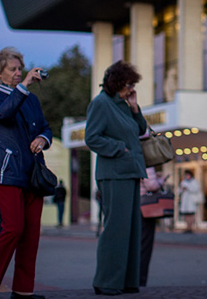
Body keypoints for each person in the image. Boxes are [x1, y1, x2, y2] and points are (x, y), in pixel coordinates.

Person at [0, 47, 53, 299]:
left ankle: (23, 291)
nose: (18, 73)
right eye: (12, 69)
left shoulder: (31, 99)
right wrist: (24, 86)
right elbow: (4, 113)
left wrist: (43, 138)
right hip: (6, 171)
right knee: (13, 228)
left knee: (31, 234)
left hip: (33, 173)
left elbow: (45, 126)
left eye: (20, 68)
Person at [85, 61, 148, 296]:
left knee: (131, 229)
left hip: (129, 172)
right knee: (115, 229)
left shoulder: (123, 104)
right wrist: (119, 148)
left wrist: (134, 107)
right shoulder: (101, 103)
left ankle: (127, 281)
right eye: (128, 84)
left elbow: (141, 130)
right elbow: (92, 137)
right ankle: (106, 281)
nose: (131, 89)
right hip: (113, 174)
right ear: (117, 82)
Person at [140, 167, 167, 287]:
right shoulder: (145, 163)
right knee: (145, 245)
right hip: (146, 207)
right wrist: (161, 180)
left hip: (134, 205)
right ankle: (141, 279)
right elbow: (152, 185)